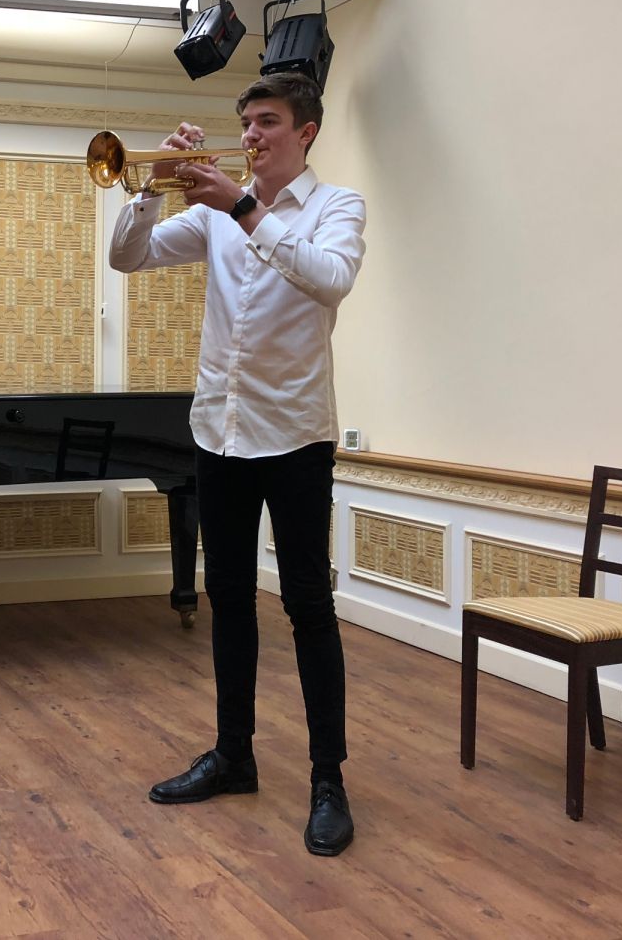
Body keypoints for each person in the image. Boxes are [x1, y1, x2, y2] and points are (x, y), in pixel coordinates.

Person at [107, 71, 365, 856]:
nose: (251, 135)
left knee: (308, 605)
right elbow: (127, 257)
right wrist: (151, 187)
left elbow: (330, 279)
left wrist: (244, 206)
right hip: (218, 431)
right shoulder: (213, 214)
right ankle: (233, 754)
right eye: (246, 122)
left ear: (306, 132)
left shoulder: (337, 206)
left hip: (295, 435)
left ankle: (328, 779)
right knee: (227, 597)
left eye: (268, 122)